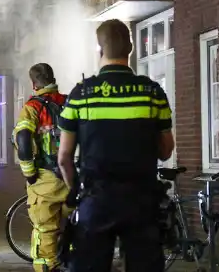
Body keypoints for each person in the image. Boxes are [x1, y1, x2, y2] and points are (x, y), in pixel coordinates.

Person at [57, 19, 174, 272]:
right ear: (130, 48)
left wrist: (77, 190)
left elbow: (64, 158)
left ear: (99, 50)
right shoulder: (152, 92)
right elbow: (166, 151)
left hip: (96, 199)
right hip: (141, 201)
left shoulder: (81, 95)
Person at [13, 63, 70, 272]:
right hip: (73, 177)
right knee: (72, 225)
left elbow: (24, 139)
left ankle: (47, 266)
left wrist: (29, 174)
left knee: (45, 228)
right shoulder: (68, 103)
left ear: (33, 83)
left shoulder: (32, 107)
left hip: (46, 178)